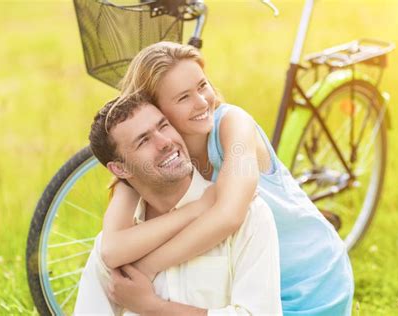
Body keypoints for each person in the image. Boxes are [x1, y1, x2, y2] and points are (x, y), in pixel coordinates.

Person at [100, 41, 354, 315]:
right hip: (244, 287)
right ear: (154, 108)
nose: (201, 102)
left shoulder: (233, 126)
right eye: (183, 97)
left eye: (202, 86)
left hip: (311, 284)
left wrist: (147, 269)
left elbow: (229, 215)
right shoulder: (155, 157)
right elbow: (113, 248)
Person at [75, 95, 282, 315]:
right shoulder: (115, 248)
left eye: (163, 126)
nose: (165, 142)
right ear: (120, 170)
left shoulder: (249, 215)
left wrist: (156, 309)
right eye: (143, 141)